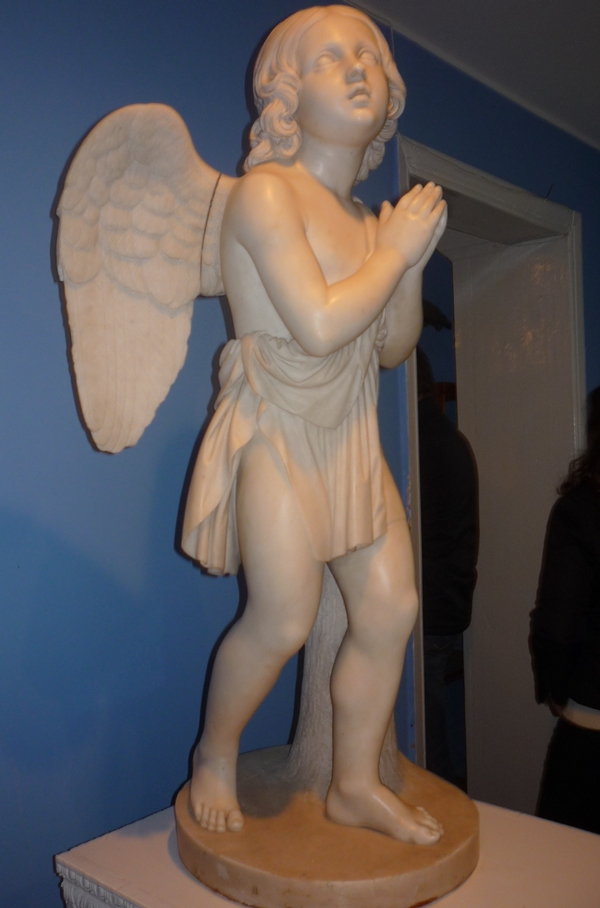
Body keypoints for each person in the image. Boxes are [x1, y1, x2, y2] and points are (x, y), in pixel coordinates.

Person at [181, 5, 447, 842]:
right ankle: (214, 755)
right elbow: (321, 325)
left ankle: (354, 784)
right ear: (288, 93)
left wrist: (405, 261)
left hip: (350, 432)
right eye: (332, 58)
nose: (359, 66)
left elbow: (393, 346)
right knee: (284, 618)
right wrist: (396, 255)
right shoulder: (265, 196)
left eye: (369, 54)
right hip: (276, 429)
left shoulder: (369, 222)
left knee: (392, 606)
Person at [530, 387, 600, 834]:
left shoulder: (580, 512)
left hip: (591, 728)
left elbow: (557, 624)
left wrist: (554, 687)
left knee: (565, 857)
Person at [417, 348, 478, 786]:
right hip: (448, 602)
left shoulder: (413, 442)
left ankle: (449, 812)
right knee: (432, 738)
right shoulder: (451, 440)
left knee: (425, 747)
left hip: (428, 610)